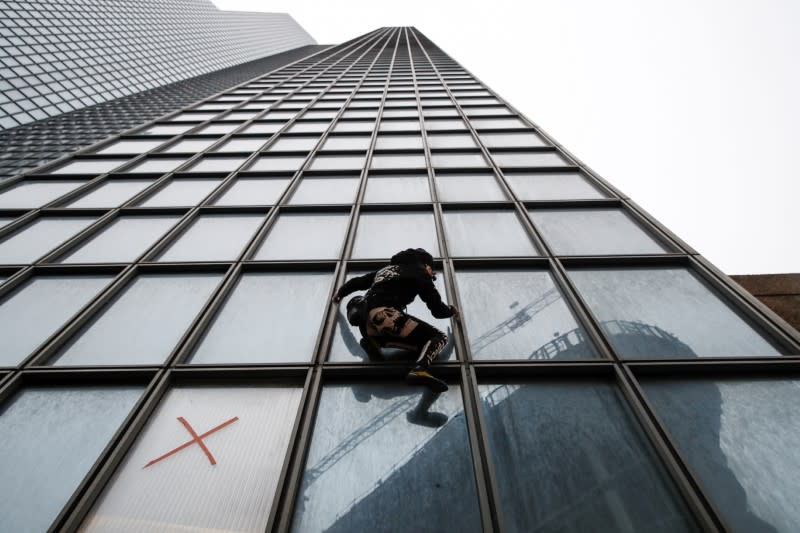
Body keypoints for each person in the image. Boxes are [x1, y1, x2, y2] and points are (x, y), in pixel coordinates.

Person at [332, 248, 459, 392]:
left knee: (422, 345)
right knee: (439, 337)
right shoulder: (420, 272)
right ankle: (419, 370)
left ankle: (373, 342)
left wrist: (340, 293)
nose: (432, 275)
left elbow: (359, 282)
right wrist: (451, 310)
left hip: (366, 324)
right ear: (426, 265)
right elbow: (436, 309)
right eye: (432, 271)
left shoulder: (385, 270)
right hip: (387, 316)